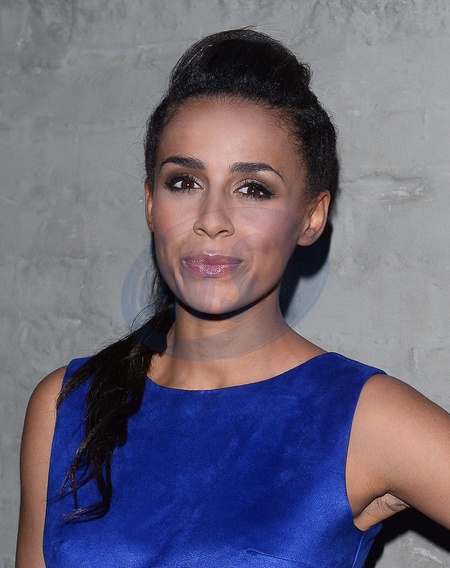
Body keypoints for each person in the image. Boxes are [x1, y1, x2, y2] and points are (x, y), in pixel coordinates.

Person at [16, 29, 450, 568]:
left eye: (253, 189)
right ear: (150, 202)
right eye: (184, 182)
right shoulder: (67, 405)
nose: (212, 220)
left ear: (312, 216)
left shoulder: (361, 416)